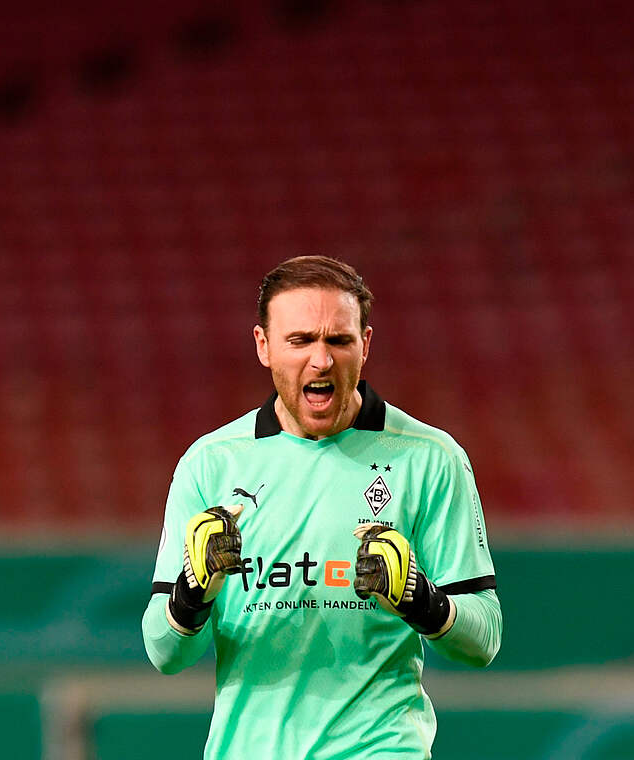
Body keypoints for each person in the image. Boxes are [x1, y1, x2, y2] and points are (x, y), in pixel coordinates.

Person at [142, 255, 502, 759]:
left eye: (338, 340)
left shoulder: (430, 458)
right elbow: (164, 651)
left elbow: (484, 639)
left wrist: (420, 600)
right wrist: (193, 591)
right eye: (300, 340)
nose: (322, 360)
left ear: (365, 344)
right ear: (264, 346)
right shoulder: (210, 465)